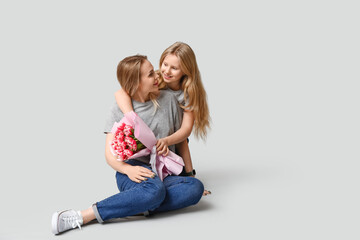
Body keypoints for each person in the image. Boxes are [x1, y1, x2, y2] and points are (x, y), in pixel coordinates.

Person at [51, 55, 204, 235]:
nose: (157, 76)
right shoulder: (118, 109)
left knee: (195, 188)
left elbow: (181, 142)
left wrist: (190, 174)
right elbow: (109, 155)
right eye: (149, 75)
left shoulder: (169, 100)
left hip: (163, 171)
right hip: (132, 172)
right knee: (154, 190)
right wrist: (128, 170)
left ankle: (137, 205)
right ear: (135, 82)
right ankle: (85, 215)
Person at [115, 42, 211, 194]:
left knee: (182, 143)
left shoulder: (188, 93)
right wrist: (132, 118)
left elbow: (185, 131)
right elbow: (121, 92)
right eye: (165, 64)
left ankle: (182, 178)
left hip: (173, 135)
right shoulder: (156, 78)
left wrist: (190, 175)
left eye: (174, 68)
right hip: (152, 134)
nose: (166, 71)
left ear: (186, 70)